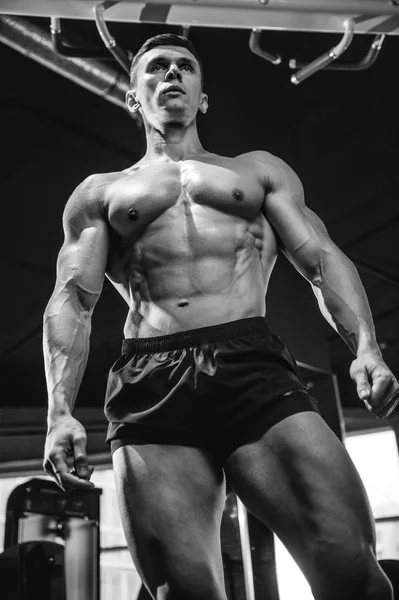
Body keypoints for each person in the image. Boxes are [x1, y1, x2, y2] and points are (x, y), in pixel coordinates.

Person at [43, 33, 398, 600]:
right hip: (150, 382)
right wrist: (59, 411)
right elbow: (73, 299)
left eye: (186, 67)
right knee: (181, 594)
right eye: (156, 68)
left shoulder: (256, 172)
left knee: (351, 567)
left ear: (203, 96)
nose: (172, 75)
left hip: (251, 364)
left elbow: (320, 260)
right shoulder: (101, 194)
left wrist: (367, 349)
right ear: (135, 96)